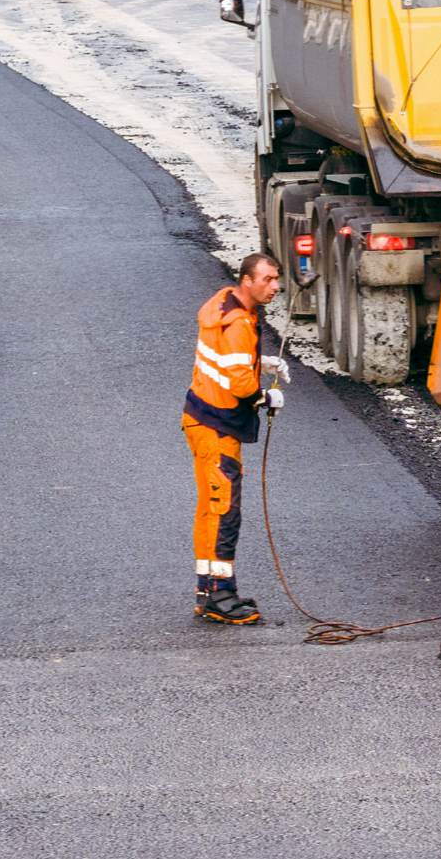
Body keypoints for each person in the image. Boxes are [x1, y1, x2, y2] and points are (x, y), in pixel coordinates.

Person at [182, 252, 287, 626]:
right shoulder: (240, 322)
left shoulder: (223, 304)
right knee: (224, 511)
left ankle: (208, 590)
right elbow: (240, 383)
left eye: (276, 279)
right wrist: (266, 395)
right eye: (268, 279)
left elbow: (230, 360)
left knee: (211, 508)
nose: (275, 287)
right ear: (247, 280)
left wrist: (262, 362)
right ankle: (219, 596)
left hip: (202, 419)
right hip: (217, 426)